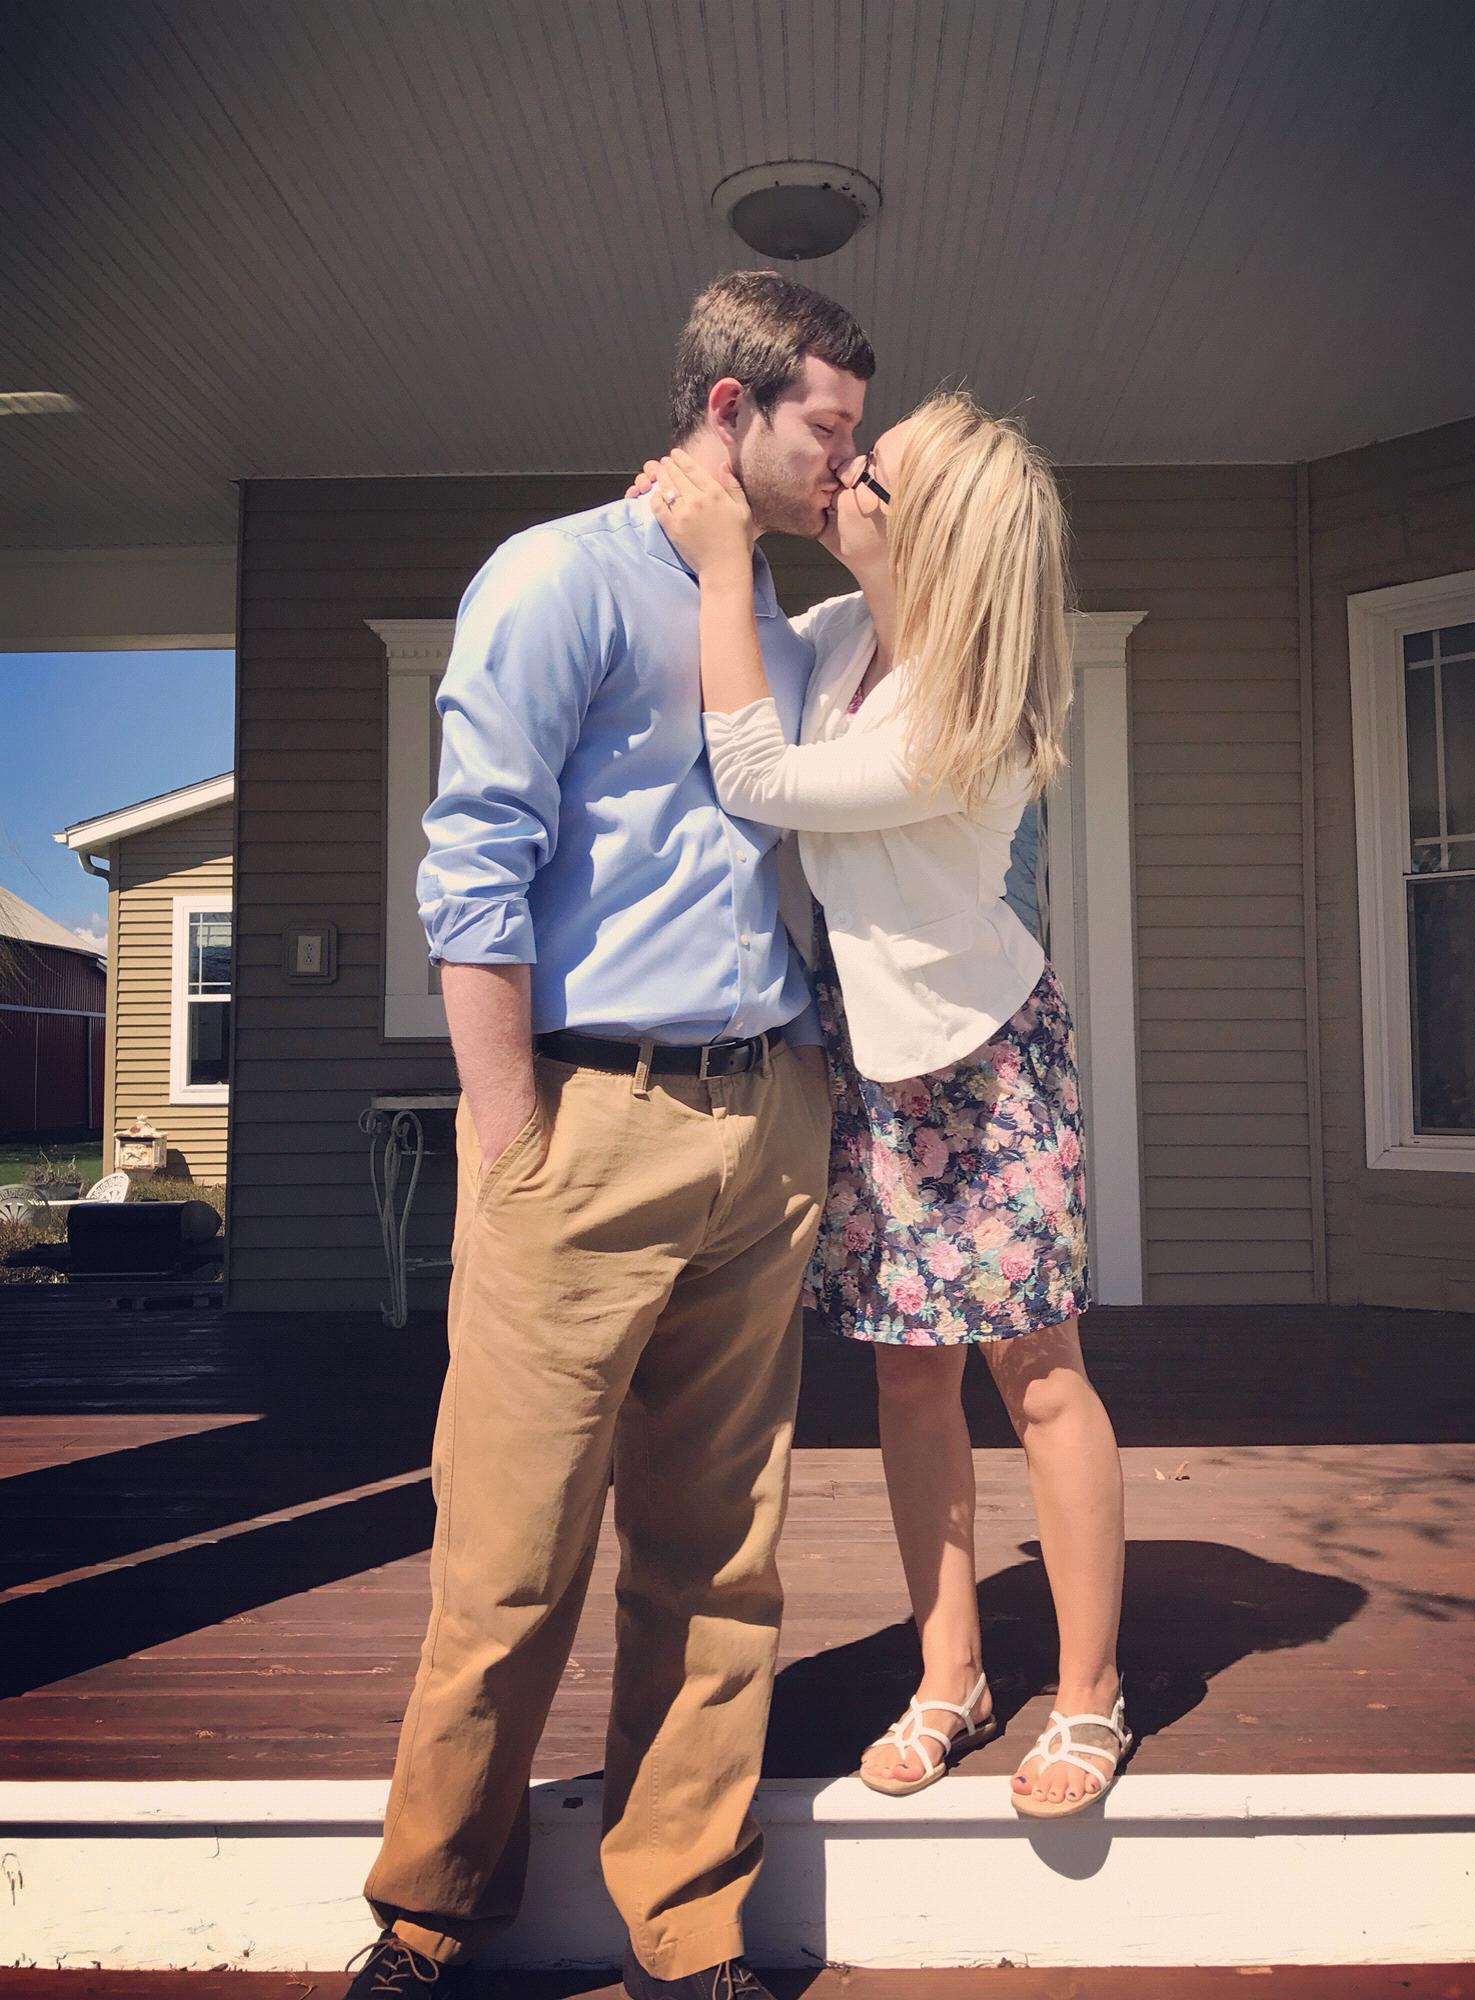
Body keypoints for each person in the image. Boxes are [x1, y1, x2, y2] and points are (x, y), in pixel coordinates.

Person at [343, 271, 873, 2000]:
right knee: (508, 1552)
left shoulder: (766, 611)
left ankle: (687, 1920)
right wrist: (509, 1134)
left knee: (717, 1555)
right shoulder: (556, 576)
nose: (845, 460)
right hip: (585, 1121)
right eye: (827, 428)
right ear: (730, 408)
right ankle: (429, 1914)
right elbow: (474, 862)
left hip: (762, 1116)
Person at [639, 392, 1132, 1821]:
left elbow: (759, 773)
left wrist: (723, 560)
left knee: (1034, 1371)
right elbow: (739, 670)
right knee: (909, 1373)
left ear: (940, 536)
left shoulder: (972, 711)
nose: (847, 475)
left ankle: (1090, 1692)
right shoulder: (846, 636)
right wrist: (704, 539)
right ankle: (950, 1679)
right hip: (866, 1054)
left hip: (982, 1061)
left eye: (877, 474)